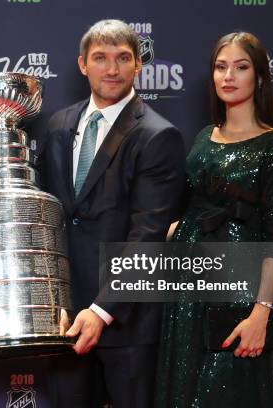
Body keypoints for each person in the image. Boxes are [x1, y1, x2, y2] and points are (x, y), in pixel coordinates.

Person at [35, 19, 186, 408]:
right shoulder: (57, 125)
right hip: (64, 319)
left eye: (123, 58)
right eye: (100, 58)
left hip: (127, 321)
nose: (112, 69)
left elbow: (148, 236)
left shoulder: (157, 135)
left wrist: (101, 311)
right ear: (83, 64)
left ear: (138, 64)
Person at [155, 32, 273, 407]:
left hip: (239, 290)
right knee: (184, 388)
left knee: (228, 389)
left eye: (241, 67)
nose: (228, 76)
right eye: (221, 67)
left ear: (260, 77)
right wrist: (179, 228)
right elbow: (193, 204)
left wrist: (261, 314)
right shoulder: (204, 137)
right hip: (188, 289)